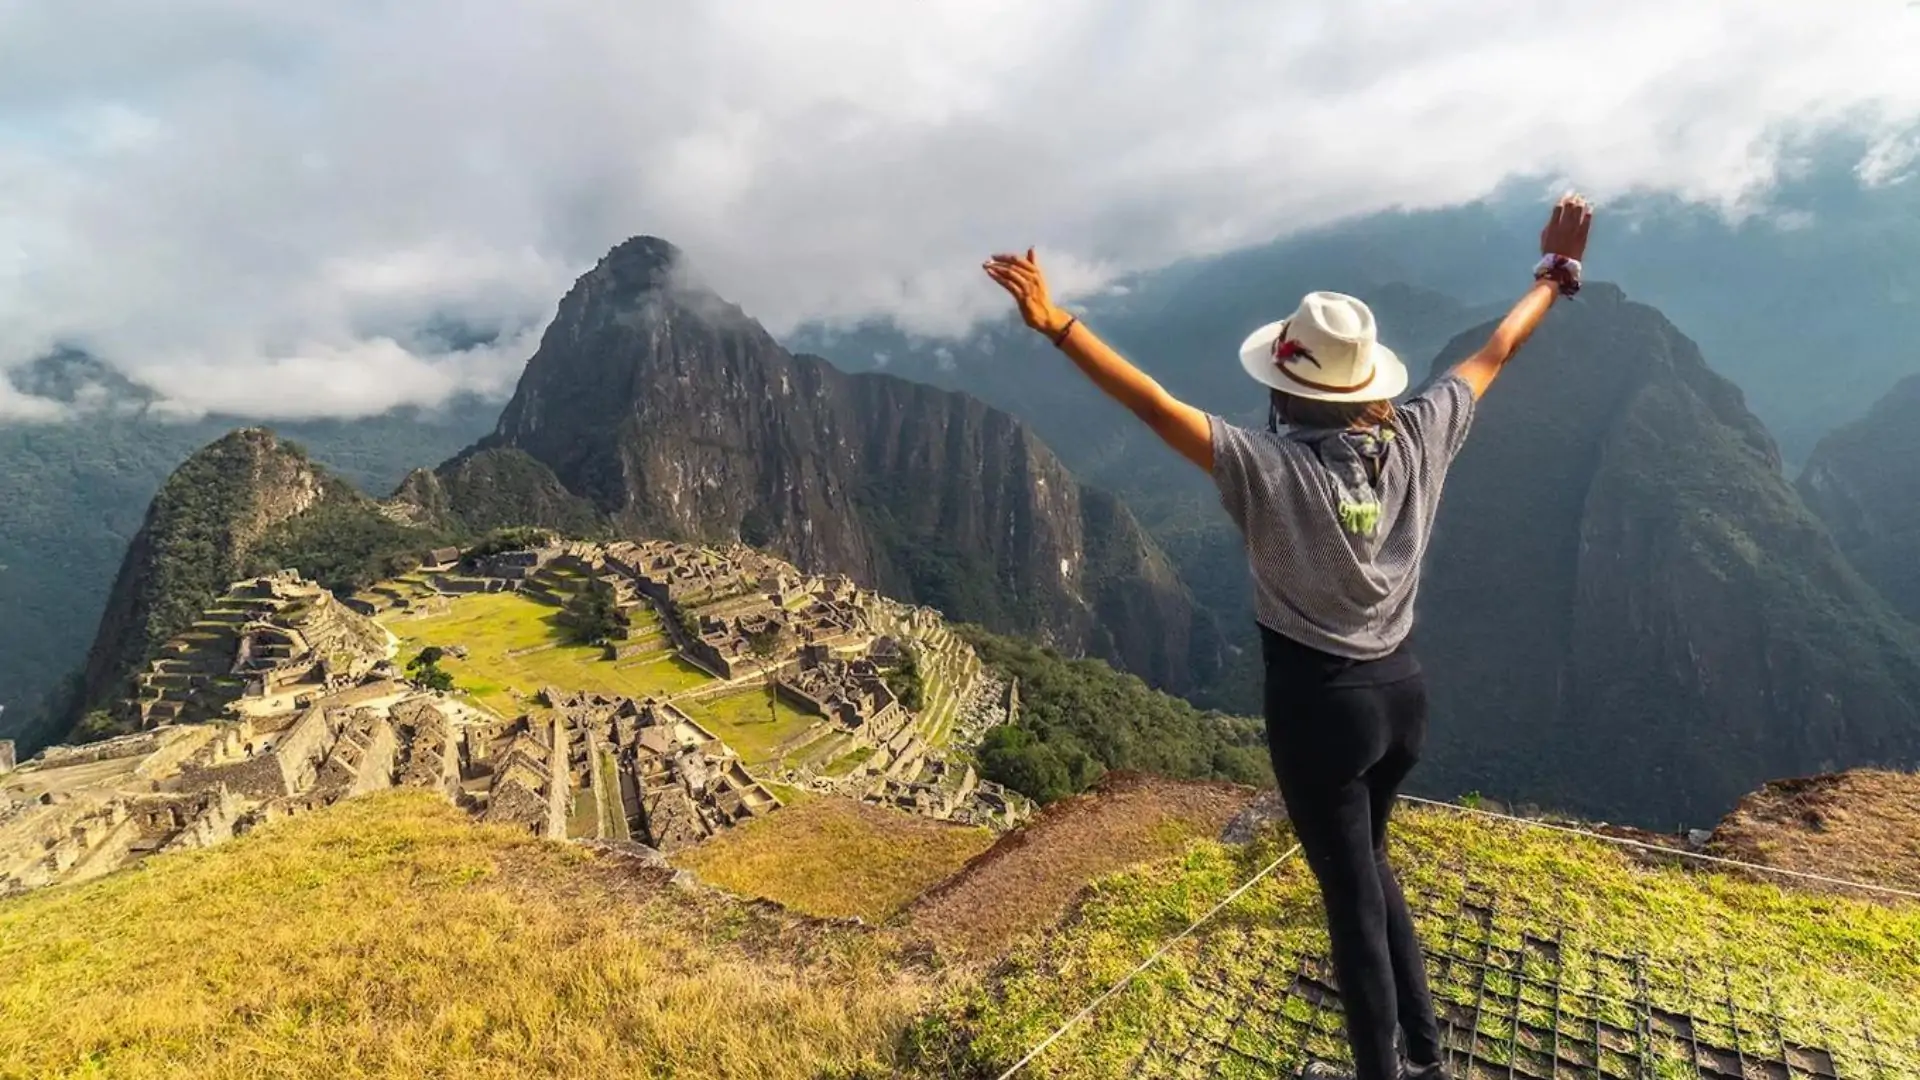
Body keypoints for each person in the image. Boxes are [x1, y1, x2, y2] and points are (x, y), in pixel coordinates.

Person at [983, 193, 1595, 1080]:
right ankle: (1425, 1057)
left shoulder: (1268, 468)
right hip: (1402, 696)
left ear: (1286, 389)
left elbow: (1154, 407)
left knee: (1349, 902)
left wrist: (1055, 323)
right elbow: (1493, 352)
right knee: (1372, 867)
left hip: (1319, 708)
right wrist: (1555, 276)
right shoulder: (1420, 436)